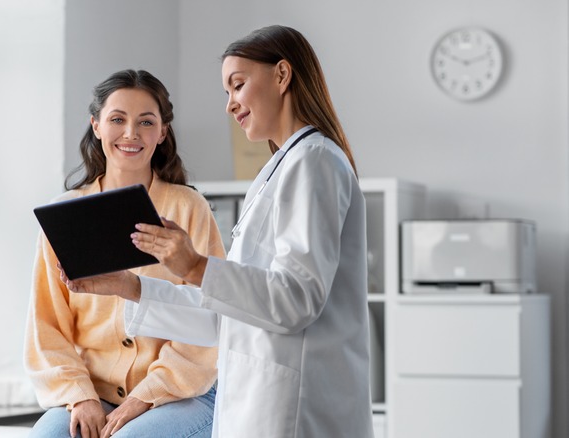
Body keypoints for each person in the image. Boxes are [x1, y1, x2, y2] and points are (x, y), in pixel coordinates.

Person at [60, 25, 374, 437]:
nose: (230, 105)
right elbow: (223, 316)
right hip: (259, 398)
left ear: (282, 76)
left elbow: (297, 300)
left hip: (296, 407)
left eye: (237, 86)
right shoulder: (279, 170)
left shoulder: (314, 162)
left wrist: (194, 265)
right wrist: (130, 287)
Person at [25, 69, 224, 438]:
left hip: (182, 392)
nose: (131, 133)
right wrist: (80, 396)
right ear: (96, 125)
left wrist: (143, 398)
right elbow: (46, 327)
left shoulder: (189, 208)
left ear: (162, 132)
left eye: (145, 122)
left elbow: (209, 318)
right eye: (117, 119)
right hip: (93, 392)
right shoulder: (64, 214)